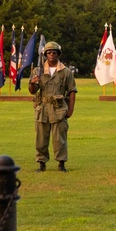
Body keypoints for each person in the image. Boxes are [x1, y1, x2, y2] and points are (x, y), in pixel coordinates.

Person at [28, 41, 77, 172]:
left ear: (58, 54)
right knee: (41, 138)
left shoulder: (66, 72)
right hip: (42, 108)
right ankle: (41, 163)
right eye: (48, 52)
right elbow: (32, 90)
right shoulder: (38, 71)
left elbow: (72, 91)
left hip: (59, 109)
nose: (51, 55)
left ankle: (61, 163)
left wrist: (71, 109)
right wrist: (33, 83)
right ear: (45, 55)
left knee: (59, 138)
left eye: (54, 52)